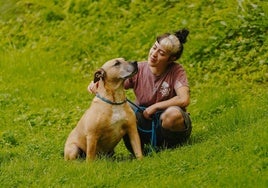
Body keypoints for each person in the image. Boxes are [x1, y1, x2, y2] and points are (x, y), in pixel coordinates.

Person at [88, 29, 192, 155]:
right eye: (154, 48)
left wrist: (155, 107)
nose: (154, 54)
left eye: (161, 53)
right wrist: (98, 82)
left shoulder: (176, 71)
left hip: (169, 125)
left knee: (172, 114)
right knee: (123, 109)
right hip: (144, 122)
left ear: (171, 59)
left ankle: (170, 148)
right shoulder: (139, 69)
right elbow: (112, 83)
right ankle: (117, 150)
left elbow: (184, 99)